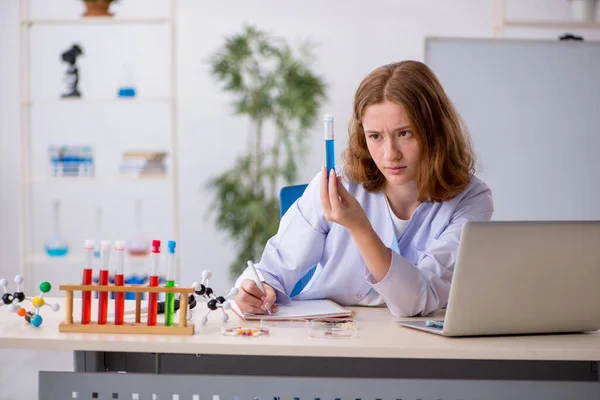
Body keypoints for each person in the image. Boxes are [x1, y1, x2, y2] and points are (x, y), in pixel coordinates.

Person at [234, 60, 494, 317]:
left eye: (405, 133)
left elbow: (418, 300)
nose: (390, 154)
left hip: (420, 346)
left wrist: (359, 226)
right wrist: (257, 290)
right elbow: (271, 271)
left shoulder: (471, 200)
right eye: (375, 136)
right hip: (330, 338)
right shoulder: (339, 185)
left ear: (436, 132)